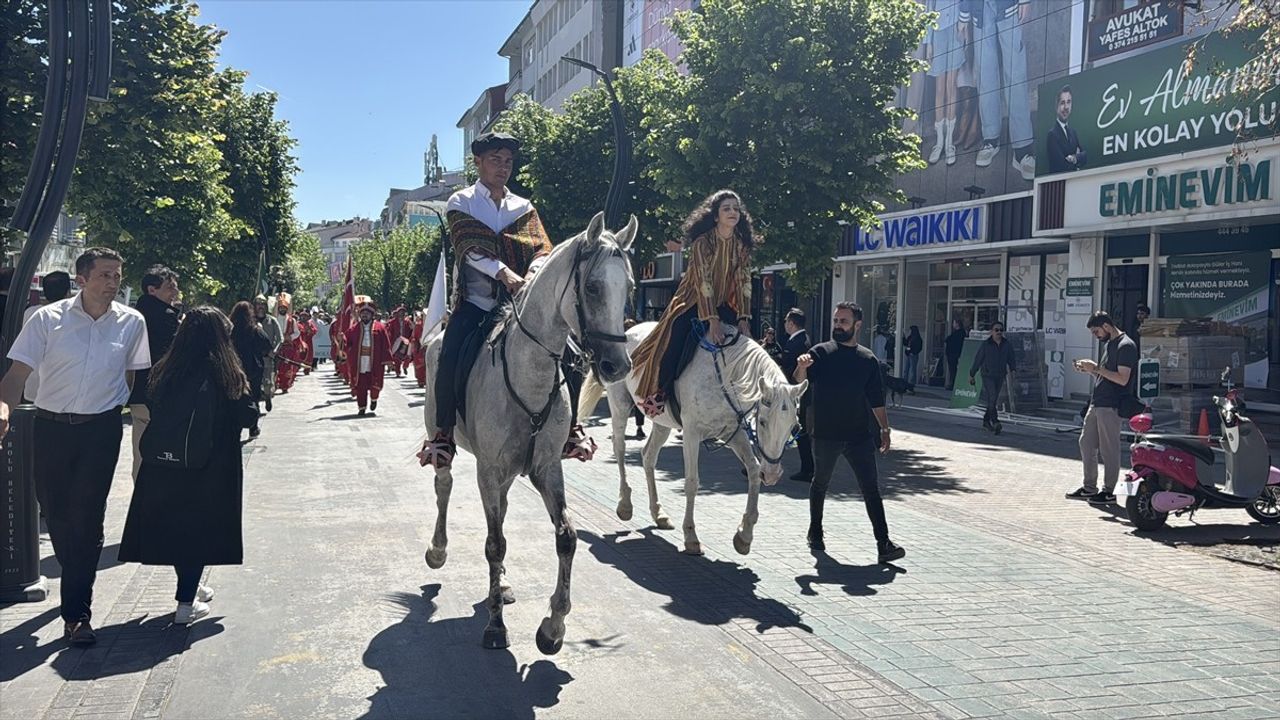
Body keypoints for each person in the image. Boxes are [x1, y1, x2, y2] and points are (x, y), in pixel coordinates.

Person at [0, 247, 151, 647]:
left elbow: (133, 376)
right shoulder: (47, 320)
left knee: (87, 518)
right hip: (50, 428)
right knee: (55, 513)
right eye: (104, 275)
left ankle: (77, 616)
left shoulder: (132, 322)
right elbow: (16, 375)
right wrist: (2, 407)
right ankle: (76, 572)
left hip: (100, 431)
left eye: (117, 275)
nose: (113, 283)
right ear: (81, 280)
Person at [423, 131, 559, 467]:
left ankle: (570, 430)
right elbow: (469, 248)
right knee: (448, 354)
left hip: (518, 306)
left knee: (566, 350)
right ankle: (443, 433)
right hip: (477, 305)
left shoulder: (523, 207)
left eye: (508, 161)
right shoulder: (461, 201)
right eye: (496, 160)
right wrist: (503, 272)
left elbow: (542, 248)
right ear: (478, 162)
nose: (503, 167)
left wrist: (533, 273)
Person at [118, 306, 256, 625]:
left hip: (166, 464)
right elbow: (247, 415)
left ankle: (191, 586)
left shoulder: (167, 368)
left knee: (180, 530)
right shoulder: (225, 372)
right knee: (199, 532)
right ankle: (185, 603)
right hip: (211, 464)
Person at [794, 302, 905, 564]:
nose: (838, 326)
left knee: (871, 489)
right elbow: (799, 380)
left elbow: (876, 399)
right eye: (836, 321)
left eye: (843, 321)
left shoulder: (867, 360)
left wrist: (885, 429)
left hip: (859, 436)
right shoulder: (820, 352)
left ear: (857, 325)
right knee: (820, 483)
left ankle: (884, 543)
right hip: (826, 434)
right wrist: (802, 366)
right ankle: (815, 531)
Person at [631, 190, 756, 418]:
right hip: (691, 300)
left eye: (736, 209)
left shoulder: (741, 246)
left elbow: (744, 281)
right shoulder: (702, 242)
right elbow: (703, 280)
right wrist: (712, 319)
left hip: (722, 303)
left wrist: (743, 317)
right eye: (726, 208)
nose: (732, 212)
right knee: (675, 337)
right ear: (716, 216)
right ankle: (660, 391)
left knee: (746, 343)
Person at [1067, 311, 1138, 506]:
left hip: (1111, 404)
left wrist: (1096, 368)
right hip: (1097, 402)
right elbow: (1106, 375)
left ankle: (1110, 491)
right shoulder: (1109, 344)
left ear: (1106, 326)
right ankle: (1089, 487)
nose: (1095, 336)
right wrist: (1090, 371)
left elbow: (1122, 379)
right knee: (1086, 443)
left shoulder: (1126, 346)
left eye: (1096, 331)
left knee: (1109, 449)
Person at [965, 0, 1035, 181]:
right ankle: (990, 138)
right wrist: (964, 13)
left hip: (1008, 6)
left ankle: (1022, 147)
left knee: (1015, 73)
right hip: (980, 9)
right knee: (985, 73)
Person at [128, 265, 181, 479]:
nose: (175, 292)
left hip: (136, 392)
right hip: (159, 394)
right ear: (152, 290)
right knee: (161, 451)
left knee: (140, 449)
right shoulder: (165, 317)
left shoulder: (132, 315)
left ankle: (140, 489)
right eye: (170, 287)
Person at [21, 271, 73, 402]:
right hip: (61, 394)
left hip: (32, 389)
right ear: (68, 292)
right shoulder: (73, 317)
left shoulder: (31, 313)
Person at [780, 308, 814, 483]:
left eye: (786, 321)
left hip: (794, 394)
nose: (785, 324)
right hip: (796, 394)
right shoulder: (802, 339)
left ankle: (808, 469)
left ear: (792, 323)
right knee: (796, 432)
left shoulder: (798, 342)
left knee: (797, 432)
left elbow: (788, 369)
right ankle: (808, 468)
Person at [343, 296, 392, 415]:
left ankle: (374, 399)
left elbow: (386, 344)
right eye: (362, 313)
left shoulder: (380, 328)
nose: (365, 315)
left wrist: (388, 361)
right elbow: (346, 343)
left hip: (375, 360)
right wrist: (341, 339)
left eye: (367, 313)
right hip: (359, 361)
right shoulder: (354, 328)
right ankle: (362, 407)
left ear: (372, 314)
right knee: (361, 385)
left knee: (375, 382)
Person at [230, 301, 272, 439]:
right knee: (253, 396)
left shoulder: (229, 330)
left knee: (236, 396)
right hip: (253, 368)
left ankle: (236, 427)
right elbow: (267, 346)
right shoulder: (255, 330)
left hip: (235, 367)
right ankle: (253, 427)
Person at [969, 321, 1015, 433]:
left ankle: (986, 421)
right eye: (996, 330)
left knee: (992, 400)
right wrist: (972, 374)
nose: (999, 332)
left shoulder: (1007, 344)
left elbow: (1011, 358)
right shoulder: (986, 345)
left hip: (1000, 375)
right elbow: (978, 359)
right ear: (991, 332)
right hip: (988, 375)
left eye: (1001, 330)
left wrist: (1013, 370)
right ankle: (995, 421)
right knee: (993, 397)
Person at [1046, 84, 1087, 174]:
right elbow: (1061, 165)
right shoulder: (1052, 135)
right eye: (1062, 103)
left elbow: (1085, 156)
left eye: (1068, 102)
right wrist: (1077, 160)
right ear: (1056, 106)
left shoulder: (1073, 132)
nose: (1066, 107)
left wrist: (1074, 158)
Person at [253, 295, 283, 410]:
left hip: (268, 357)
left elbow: (280, 339)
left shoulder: (272, 320)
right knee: (254, 382)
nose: (260, 307)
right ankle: (255, 405)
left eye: (262, 304)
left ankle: (267, 396)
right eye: (258, 304)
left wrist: (274, 352)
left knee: (268, 382)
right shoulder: (251, 320)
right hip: (254, 357)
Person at [274, 293, 302, 394]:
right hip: (277, 347)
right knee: (276, 366)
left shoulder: (292, 320)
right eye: (281, 307)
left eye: (284, 308)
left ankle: (285, 385)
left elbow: (297, 333)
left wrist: (290, 337)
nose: (282, 309)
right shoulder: (274, 318)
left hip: (288, 348)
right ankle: (275, 384)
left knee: (287, 367)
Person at [944, 318, 966, 390]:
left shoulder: (959, 333)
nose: (953, 324)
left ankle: (953, 384)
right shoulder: (958, 333)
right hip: (953, 353)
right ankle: (952, 383)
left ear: (957, 324)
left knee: (953, 370)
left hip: (954, 354)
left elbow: (949, 340)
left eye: (954, 323)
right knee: (952, 370)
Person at [297, 308, 317, 375]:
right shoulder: (298, 324)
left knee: (309, 355)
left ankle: (307, 369)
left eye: (305, 316)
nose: (303, 317)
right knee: (298, 354)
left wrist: (310, 330)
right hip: (300, 342)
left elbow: (315, 331)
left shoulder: (310, 324)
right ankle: (296, 368)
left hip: (308, 342)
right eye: (302, 316)